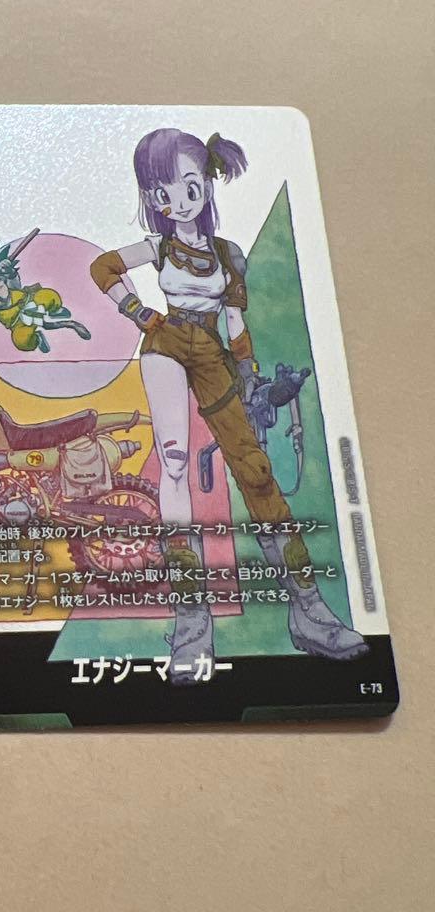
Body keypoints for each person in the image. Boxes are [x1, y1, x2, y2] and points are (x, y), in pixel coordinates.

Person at [89, 128, 365, 681]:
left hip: (214, 355)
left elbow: (235, 323)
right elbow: (103, 269)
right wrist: (140, 314)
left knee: (255, 471)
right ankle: (192, 628)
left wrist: (251, 375)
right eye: (160, 190)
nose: (174, 200)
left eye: (187, 185)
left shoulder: (227, 255)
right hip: (167, 344)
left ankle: (309, 611)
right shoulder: (159, 246)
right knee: (173, 463)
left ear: (206, 184)